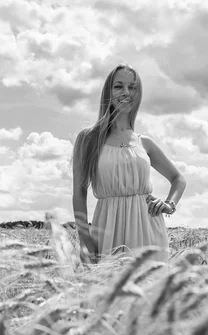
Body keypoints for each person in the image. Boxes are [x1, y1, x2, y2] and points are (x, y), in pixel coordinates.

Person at [71, 64, 187, 264]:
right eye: (119, 86)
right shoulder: (89, 138)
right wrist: (84, 239)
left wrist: (169, 204)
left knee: (151, 292)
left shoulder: (144, 143)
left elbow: (178, 179)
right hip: (107, 229)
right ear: (108, 91)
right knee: (109, 292)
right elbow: (79, 193)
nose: (126, 92)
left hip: (149, 231)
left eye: (132, 87)